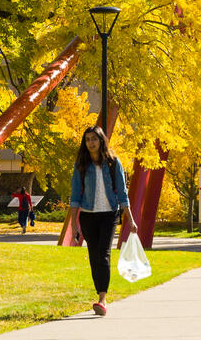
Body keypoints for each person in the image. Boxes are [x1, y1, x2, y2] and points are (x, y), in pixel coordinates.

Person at [68, 125, 128, 316]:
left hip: (109, 214)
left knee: (103, 254)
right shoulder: (81, 165)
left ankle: (102, 299)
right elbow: (75, 196)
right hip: (88, 215)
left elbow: (123, 193)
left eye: (94, 139)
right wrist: (72, 224)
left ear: (101, 140)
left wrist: (131, 219)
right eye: (87, 140)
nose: (91, 142)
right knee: (94, 256)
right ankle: (100, 294)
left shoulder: (113, 162)